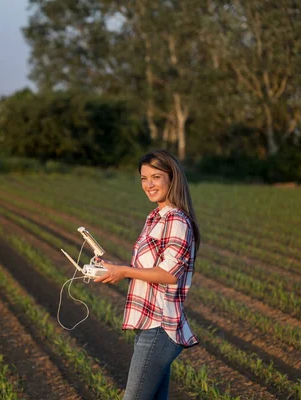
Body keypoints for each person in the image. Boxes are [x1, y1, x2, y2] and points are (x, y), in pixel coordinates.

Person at [94, 149, 200, 399]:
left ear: (171, 178)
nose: (148, 185)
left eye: (155, 177)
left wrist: (123, 271)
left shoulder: (176, 220)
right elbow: (149, 271)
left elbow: (169, 274)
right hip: (150, 326)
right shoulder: (155, 217)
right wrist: (114, 268)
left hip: (160, 327)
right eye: (144, 178)